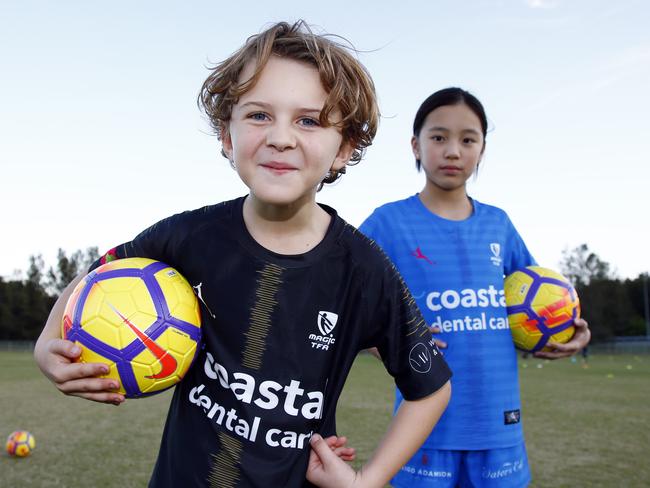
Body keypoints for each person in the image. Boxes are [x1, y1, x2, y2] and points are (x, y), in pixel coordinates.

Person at [33, 21, 451, 488]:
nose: (280, 137)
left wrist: (367, 480)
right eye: (258, 115)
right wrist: (46, 344)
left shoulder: (364, 269)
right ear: (227, 136)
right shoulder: (190, 235)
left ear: (344, 148)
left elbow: (430, 388)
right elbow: (98, 273)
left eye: (308, 120)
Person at [359, 87, 590, 488]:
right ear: (415, 145)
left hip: (498, 424)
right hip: (423, 425)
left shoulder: (498, 224)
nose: (453, 151)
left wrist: (569, 331)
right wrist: (382, 341)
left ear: (482, 150)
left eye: (468, 139)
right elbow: (344, 299)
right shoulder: (389, 222)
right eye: (438, 137)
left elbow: (543, 302)